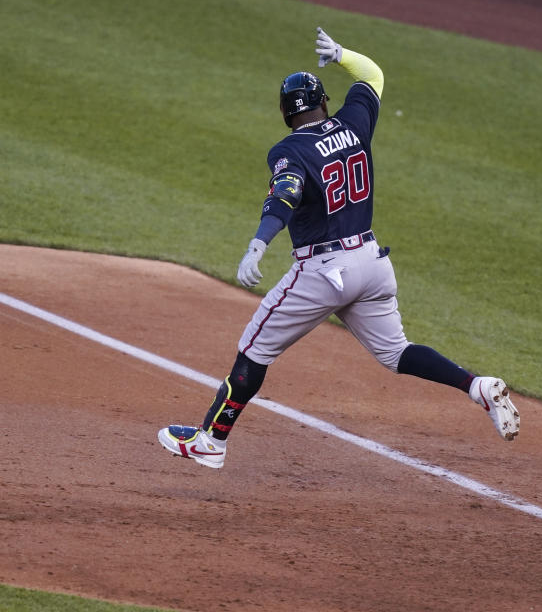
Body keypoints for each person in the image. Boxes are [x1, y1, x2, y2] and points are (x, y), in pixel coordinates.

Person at [158, 27, 519, 468]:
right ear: (324, 101)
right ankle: (476, 386)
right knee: (396, 352)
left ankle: (212, 442)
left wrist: (258, 243)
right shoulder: (354, 122)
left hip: (323, 273)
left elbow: (285, 195)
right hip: (371, 263)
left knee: (254, 349)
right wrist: (344, 54)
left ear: (285, 114)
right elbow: (373, 75)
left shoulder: (288, 149)